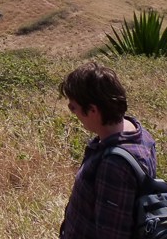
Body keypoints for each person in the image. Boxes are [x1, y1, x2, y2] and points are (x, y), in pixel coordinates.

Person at [59, 61, 158, 238]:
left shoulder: (114, 165)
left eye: (73, 107)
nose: (73, 114)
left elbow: (112, 233)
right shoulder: (141, 134)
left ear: (93, 110)